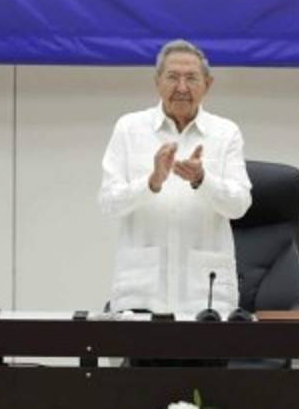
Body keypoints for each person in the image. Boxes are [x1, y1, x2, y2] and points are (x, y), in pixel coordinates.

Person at [99, 39, 252, 316]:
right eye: (172, 77)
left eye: (191, 78)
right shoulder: (129, 128)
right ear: (157, 82)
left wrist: (202, 180)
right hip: (141, 292)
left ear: (208, 84)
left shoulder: (226, 133)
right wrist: (151, 183)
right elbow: (109, 204)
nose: (182, 87)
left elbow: (239, 205)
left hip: (206, 296)